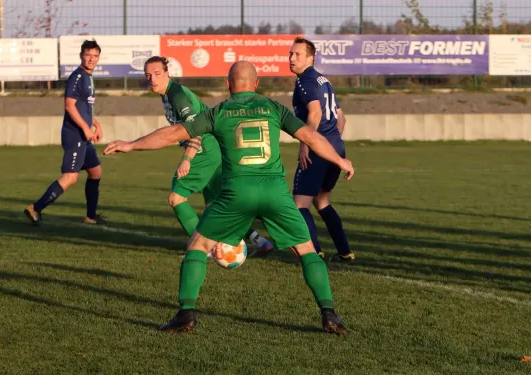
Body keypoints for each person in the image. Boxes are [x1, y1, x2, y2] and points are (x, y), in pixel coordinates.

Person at [104, 61, 355, 335]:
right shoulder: (274, 108)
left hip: (236, 193)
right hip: (274, 192)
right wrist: (340, 160)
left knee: (198, 246)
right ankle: (329, 314)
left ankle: (186, 314)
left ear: (227, 84)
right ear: (256, 84)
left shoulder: (218, 111)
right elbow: (311, 136)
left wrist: (131, 145)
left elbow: (174, 134)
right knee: (306, 250)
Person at [143, 56, 273, 255]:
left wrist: (187, 159)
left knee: (176, 198)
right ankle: (258, 240)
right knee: (217, 204)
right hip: (215, 148)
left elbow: (196, 129)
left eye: (157, 74)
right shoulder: (169, 95)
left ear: (167, 74)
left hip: (205, 150)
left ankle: (204, 250)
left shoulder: (177, 95)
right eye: (148, 75)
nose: (152, 78)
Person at [23, 40, 104, 225]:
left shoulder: (88, 77)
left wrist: (95, 124)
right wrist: (85, 127)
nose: (91, 59)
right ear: (81, 56)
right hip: (75, 134)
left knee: (95, 172)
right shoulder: (77, 76)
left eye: (95, 56)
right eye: (88, 55)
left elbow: (84, 108)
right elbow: (69, 105)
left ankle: (90, 216)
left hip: (84, 135)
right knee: (70, 177)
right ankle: (35, 209)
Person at [289, 37, 354, 263]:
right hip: (335, 145)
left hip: (318, 147)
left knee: (299, 204)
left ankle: (314, 253)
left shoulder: (305, 81)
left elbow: (315, 114)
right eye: (290, 54)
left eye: (297, 55)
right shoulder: (324, 80)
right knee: (322, 201)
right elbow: (341, 117)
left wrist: (306, 145)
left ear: (310, 58)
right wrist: (334, 143)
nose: (292, 58)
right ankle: (345, 252)